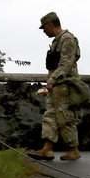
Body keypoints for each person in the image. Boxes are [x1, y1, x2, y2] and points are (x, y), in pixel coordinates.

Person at [28, 12, 82, 161]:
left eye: (44, 28)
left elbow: (66, 64)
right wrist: (51, 82)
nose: (44, 31)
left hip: (64, 85)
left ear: (51, 25)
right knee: (50, 115)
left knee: (64, 117)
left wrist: (52, 80)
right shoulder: (56, 41)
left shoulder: (67, 39)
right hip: (55, 85)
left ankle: (73, 149)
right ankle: (47, 149)